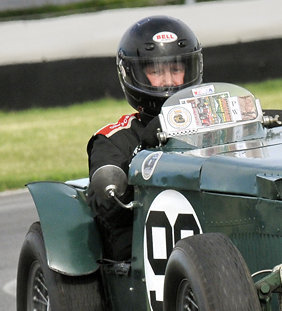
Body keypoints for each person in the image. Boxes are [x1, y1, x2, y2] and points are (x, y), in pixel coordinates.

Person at [87, 15, 203, 260]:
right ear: (134, 74)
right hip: (142, 253)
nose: (169, 80)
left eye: (176, 69)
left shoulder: (210, 125)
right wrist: (145, 151)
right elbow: (109, 208)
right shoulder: (113, 140)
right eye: (155, 70)